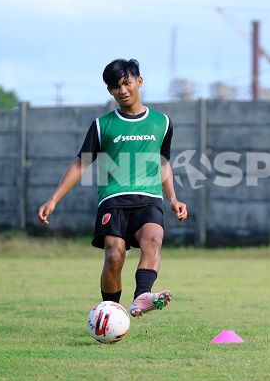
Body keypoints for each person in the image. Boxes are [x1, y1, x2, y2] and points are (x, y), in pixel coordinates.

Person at [37, 58, 187, 318]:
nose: (123, 91)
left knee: (153, 241)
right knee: (115, 256)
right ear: (110, 91)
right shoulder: (102, 125)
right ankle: (110, 311)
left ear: (139, 81)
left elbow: (163, 162)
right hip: (114, 200)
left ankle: (142, 296)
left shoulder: (162, 123)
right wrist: (53, 200)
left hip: (149, 198)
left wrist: (173, 198)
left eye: (127, 83)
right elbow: (80, 164)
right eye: (115, 87)